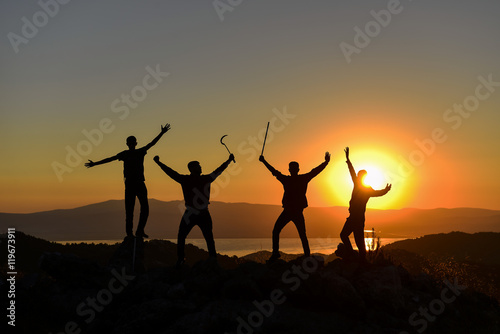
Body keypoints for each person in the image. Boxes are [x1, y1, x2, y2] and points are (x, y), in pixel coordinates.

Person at [85, 124, 171, 238]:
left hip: (138, 184)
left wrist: (162, 133)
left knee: (142, 209)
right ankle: (131, 233)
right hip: (131, 185)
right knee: (131, 210)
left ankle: (138, 231)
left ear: (135, 143)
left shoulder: (137, 152)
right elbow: (110, 159)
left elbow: (152, 143)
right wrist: (95, 163)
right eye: (130, 143)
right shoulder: (126, 154)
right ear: (129, 144)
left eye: (132, 142)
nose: (131, 144)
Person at [154, 153, 235, 267]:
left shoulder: (186, 179)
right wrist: (229, 160)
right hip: (202, 213)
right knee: (208, 238)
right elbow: (219, 170)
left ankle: (182, 259)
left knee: (183, 236)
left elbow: (171, 173)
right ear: (193, 169)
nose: (201, 167)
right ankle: (212, 259)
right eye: (198, 166)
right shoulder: (205, 179)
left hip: (191, 213)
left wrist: (159, 163)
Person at [259, 152, 330, 262]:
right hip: (296, 212)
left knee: (277, 231)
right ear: (298, 169)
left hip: (288, 211)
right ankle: (306, 255)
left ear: (290, 170)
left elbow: (274, 172)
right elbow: (315, 172)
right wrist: (326, 162)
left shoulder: (287, 180)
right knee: (302, 234)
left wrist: (264, 161)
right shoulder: (303, 179)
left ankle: (276, 253)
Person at [339, 147, 391, 262]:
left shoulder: (363, 187)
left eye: (359, 175)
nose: (357, 176)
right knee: (349, 237)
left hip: (356, 218)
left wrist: (385, 190)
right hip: (354, 217)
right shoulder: (363, 187)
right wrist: (348, 160)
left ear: (361, 176)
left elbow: (378, 193)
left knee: (357, 240)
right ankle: (355, 256)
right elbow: (352, 172)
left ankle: (359, 260)